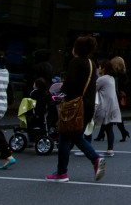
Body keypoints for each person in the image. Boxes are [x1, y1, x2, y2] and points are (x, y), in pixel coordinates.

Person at [46, 35, 105, 183]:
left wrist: (58, 96)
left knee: (64, 137)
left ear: (77, 48)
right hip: (87, 106)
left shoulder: (76, 62)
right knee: (78, 136)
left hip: (74, 106)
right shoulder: (91, 64)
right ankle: (95, 159)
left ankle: (62, 172)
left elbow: (69, 83)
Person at [93, 59, 122, 156]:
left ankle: (86, 147)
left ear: (104, 68)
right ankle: (110, 149)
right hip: (112, 106)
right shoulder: (111, 78)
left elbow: (93, 88)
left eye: (100, 67)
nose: (98, 69)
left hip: (104, 107)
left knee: (89, 126)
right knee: (109, 128)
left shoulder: (103, 79)